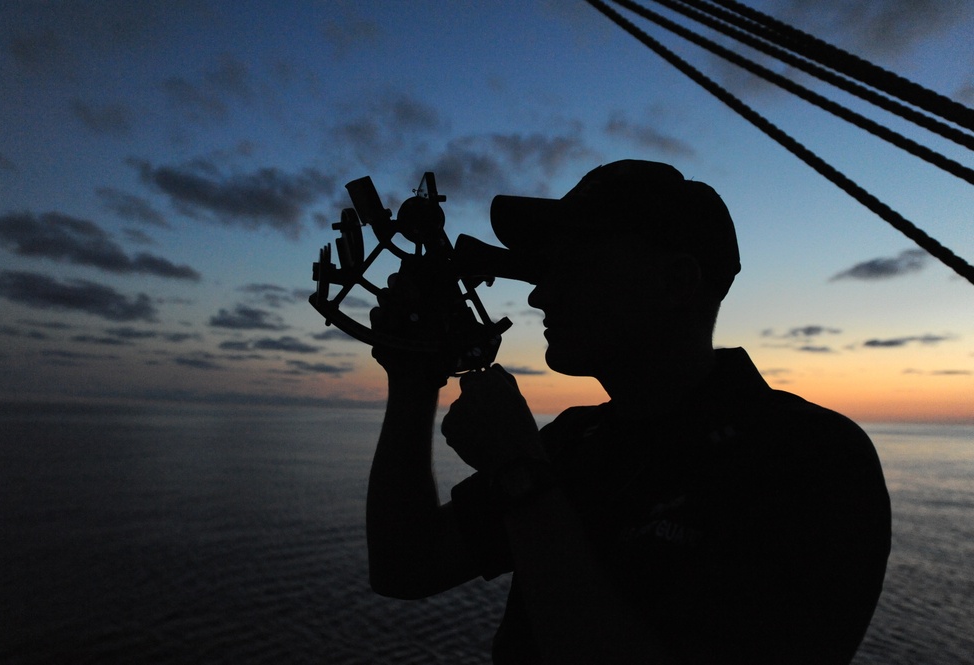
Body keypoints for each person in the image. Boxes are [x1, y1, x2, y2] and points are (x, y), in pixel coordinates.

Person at [366, 159, 891, 664]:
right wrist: (413, 379)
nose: (539, 295)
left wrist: (518, 473)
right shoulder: (577, 441)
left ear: (675, 283)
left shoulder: (813, 460)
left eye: (572, 266)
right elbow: (406, 566)